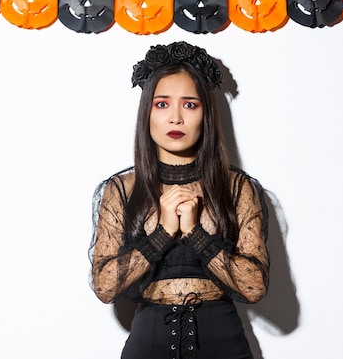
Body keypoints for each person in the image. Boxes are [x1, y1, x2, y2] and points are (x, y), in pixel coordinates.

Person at [89, 41, 269, 359]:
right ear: (147, 113)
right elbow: (105, 287)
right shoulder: (122, 189)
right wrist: (163, 233)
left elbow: (254, 287)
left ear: (206, 114)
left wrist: (196, 234)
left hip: (223, 342)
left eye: (189, 105)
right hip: (150, 341)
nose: (175, 118)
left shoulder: (237, 187)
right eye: (162, 104)